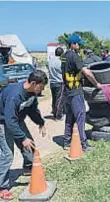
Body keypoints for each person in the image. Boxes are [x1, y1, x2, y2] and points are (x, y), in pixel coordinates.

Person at [0, 70, 48, 200]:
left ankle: (28, 168)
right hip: (3, 122)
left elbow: (32, 110)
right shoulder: (15, 95)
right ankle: (2, 186)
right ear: (33, 83)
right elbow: (10, 120)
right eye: (41, 87)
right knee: (7, 155)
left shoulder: (32, 93)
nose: (41, 90)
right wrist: (22, 138)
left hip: (17, 120)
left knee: (30, 145)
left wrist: (40, 122)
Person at [61, 34, 101, 152]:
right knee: (80, 116)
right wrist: (96, 84)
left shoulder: (64, 56)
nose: (79, 45)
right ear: (73, 44)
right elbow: (87, 73)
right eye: (78, 43)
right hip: (75, 91)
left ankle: (67, 142)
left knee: (69, 117)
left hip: (67, 91)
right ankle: (84, 144)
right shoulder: (75, 56)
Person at [48, 47, 65, 120]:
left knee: (54, 99)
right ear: (61, 54)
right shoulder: (61, 61)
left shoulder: (50, 61)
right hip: (59, 82)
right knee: (59, 99)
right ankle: (58, 115)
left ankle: (54, 112)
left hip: (52, 82)